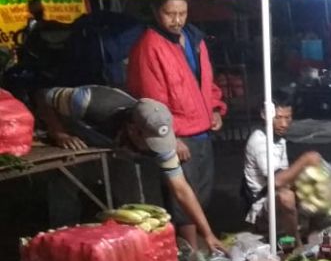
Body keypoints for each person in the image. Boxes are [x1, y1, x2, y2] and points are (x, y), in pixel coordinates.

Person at [36, 86, 224, 251]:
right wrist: (59, 133)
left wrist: (207, 234)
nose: (155, 149)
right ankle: (61, 248)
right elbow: (43, 95)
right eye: (151, 143)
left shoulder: (159, 133)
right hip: (74, 141)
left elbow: (181, 189)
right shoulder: (88, 101)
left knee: (134, 206)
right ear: (134, 130)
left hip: (114, 147)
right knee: (66, 191)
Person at [127, 0, 227, 251]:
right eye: (170, 14)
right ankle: (190, 256)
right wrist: (172, 137)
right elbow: (151, 102)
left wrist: (215, 109)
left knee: (201, 194)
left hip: (202, 130)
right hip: (178, 135)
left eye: (182, 13)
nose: (177, 20)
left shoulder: (196, 40)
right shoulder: (149, 46)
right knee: (181, 198)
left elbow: (207, 83)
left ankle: (197, 255)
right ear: (155, 10)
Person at [243, 93, 323, 242]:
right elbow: (277, 181)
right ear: (264, 114)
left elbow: (286, 176)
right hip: (262, 206)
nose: (284, 124)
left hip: (278, 194)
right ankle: (295, 244)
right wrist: (305, 160)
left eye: (288, 118)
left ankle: (312, 234)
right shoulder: (260, 141)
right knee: (286, 197)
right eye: (278, 118)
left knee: (316, 182)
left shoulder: (279, 139)